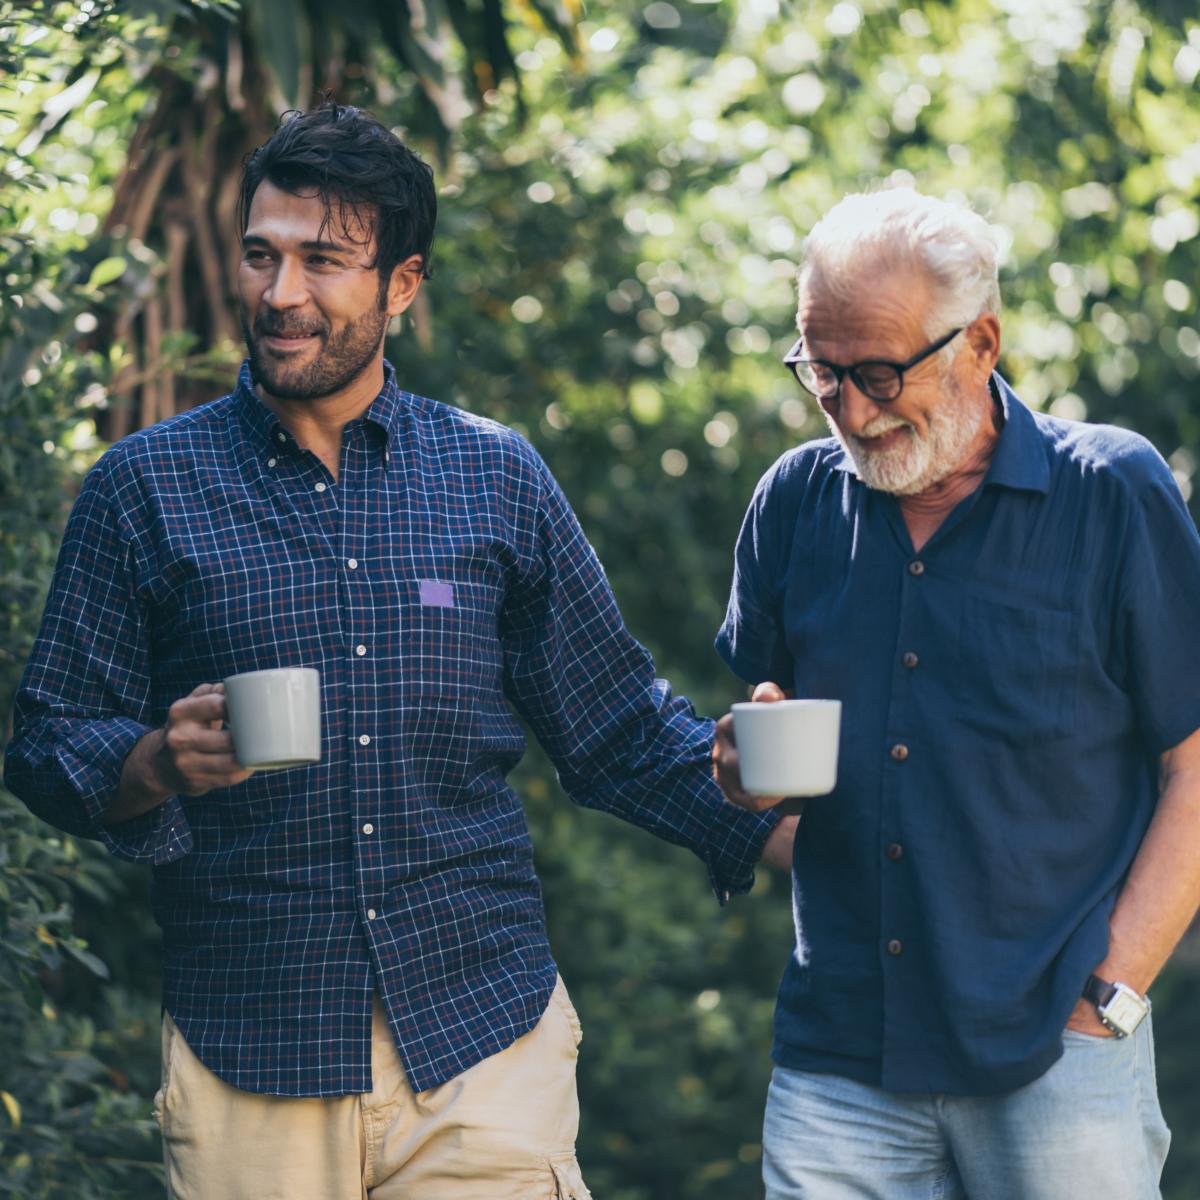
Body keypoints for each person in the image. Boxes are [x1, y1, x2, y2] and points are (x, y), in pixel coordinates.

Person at [5, 101, 789, 1200]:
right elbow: (46, 743)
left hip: (482, 1041)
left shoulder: (493, 477)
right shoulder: (144, 491)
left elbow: (613, 725)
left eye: (323, 261)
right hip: (253, 1051)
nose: (281, 295)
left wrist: (783, 823)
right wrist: (154, 763)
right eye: (260, 256)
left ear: (402, 286)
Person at [712, 187, 1200, 1199]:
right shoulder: (794, 502)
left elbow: (1193, 763)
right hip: (838, 1057)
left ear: (981, 342)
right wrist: (739, 775)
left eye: (880, 371)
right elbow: (770, 744)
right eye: (821, 371)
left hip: (1055, 1053)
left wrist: (1110, 1000)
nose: (849, 406)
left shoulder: (1114, 493)